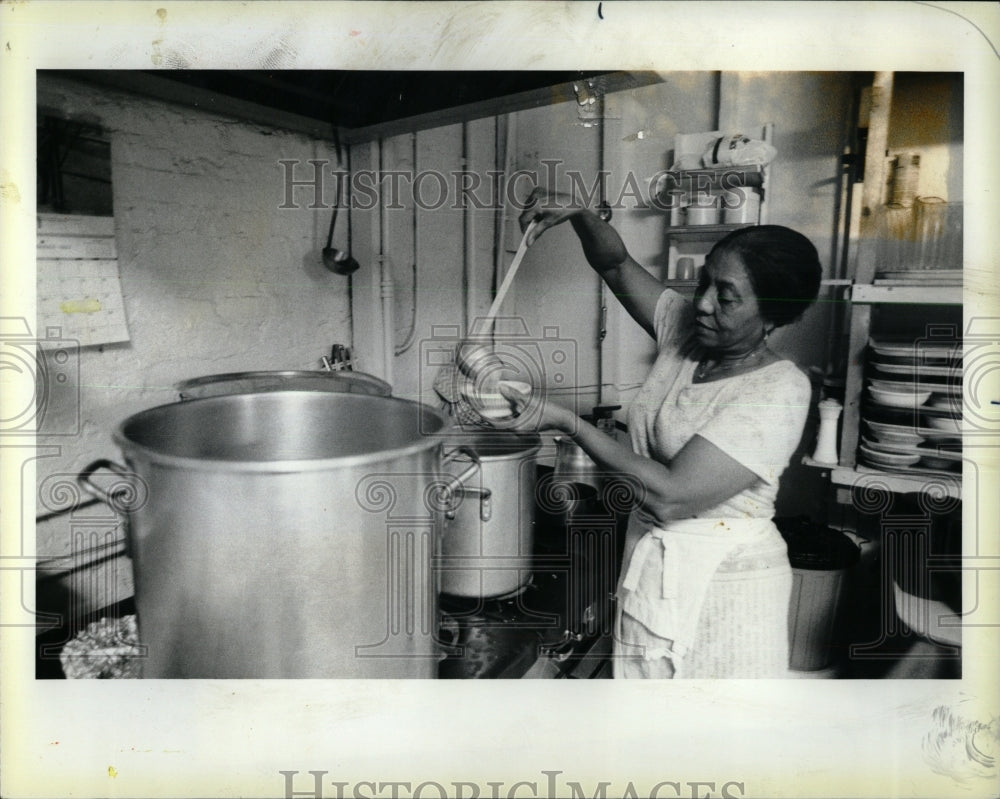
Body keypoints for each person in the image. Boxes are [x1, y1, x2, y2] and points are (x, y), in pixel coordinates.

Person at [500, 188, 822, 678]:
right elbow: (615, 266)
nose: (705, 304)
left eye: (727, 297)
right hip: (657, 561)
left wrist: (569, 423)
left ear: (772, 314)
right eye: (704, 283)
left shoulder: (779, 389)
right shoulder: (687, 336)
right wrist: (582, 215)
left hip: (725, 584)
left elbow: (672, 496)